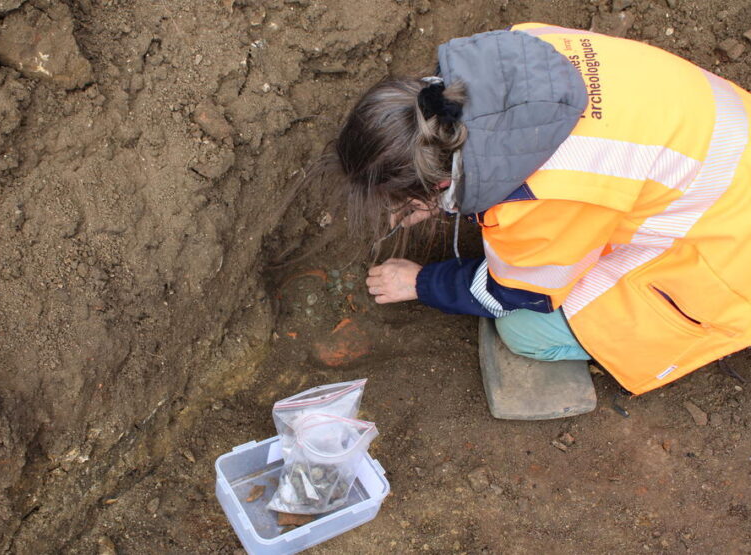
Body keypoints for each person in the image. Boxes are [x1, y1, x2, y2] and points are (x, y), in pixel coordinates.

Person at [319, 22, 751, 396]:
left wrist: (424, 281)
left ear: (440, 183)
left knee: (525, 330)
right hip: (723, 147)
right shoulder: (516, 46)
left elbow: (518, 292)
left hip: (729, 261)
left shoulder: (541, 198)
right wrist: (439, 199)